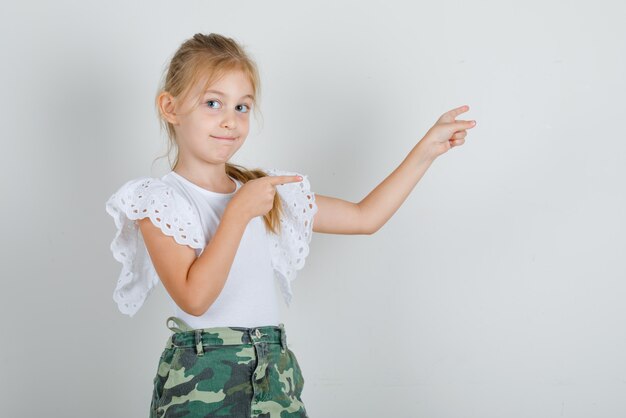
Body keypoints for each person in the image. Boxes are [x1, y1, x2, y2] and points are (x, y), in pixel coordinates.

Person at [105, 32, 476, 418]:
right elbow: (194, 298)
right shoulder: (160, 201)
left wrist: (427, 149)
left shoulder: (266, 192)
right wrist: (237, 213)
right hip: (201, 377)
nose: (230, 121)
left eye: (242, 107)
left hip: (273, 372)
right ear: (170, 107)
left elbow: (365, 217)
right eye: (213, 103)